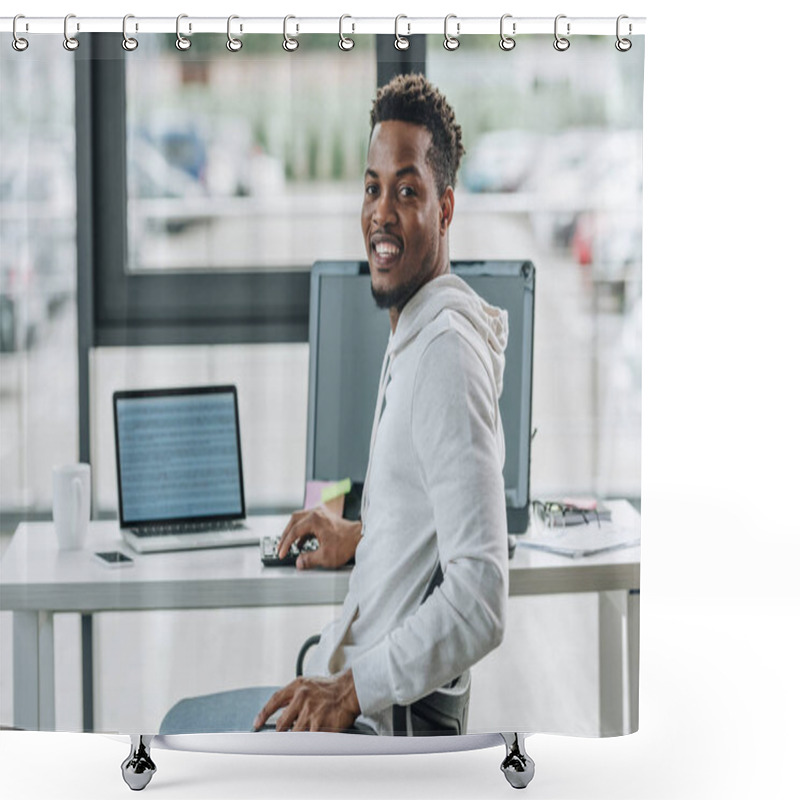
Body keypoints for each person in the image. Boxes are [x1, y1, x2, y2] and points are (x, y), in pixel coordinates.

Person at [160, 74, 509, 737]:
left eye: (408, 191)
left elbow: (482, 598)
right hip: (347, 697)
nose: (381, 211)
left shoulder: (443, 357)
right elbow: (429, 550)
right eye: (372, 187)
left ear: (446, 208)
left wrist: (351, 691)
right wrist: (364, 540)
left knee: (175, 738)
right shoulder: (415, 332)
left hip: (368, 727)